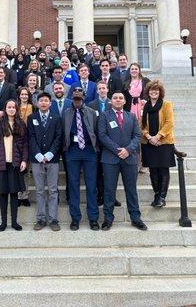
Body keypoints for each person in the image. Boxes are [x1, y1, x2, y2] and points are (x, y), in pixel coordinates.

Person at [98, 92, 147, 231]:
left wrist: (128, 150)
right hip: (110, 159)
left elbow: (137, 136)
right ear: (110, 101)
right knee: (109, 190)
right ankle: (108, 218)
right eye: (115, 98)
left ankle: (135, 218)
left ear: (125, 101)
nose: (118, 100)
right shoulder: (104, 116)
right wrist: (118, 150)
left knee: (131, 190)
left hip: (130, 158)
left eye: (120, 98)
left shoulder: (131, 116)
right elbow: (102, 135)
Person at [63, 88, 99, 231]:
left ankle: (93, 218)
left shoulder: (91, 112)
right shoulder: (66, 113)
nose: (77, 102)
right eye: (75, 99)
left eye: (79, 99)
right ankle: (75, 218)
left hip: (89, 151)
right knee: (73, 186)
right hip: (72, 151)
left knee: (91, 186)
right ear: (72, 99)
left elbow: (96, 131)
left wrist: (97, 149)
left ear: (83, 98)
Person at [27, 92, 62, 231]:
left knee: (53, 190)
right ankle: (41, 219)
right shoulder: (32, 118)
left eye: (46, 100)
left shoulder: (57, 118)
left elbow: (58, 137)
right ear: (37, 103)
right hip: (37, 160)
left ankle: (53, 219)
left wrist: (50, 153)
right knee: (40, 190)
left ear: (50, 103)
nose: (43, 103)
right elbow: (31, 137)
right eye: (41, 100)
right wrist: (38, 154)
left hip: (52, 159)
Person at [0, 100, 28, 231]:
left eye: (13, 107)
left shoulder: (21, 124)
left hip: (15, 164)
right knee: (3, 194)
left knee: (14, 194)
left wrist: (24, 160)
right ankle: (3, 222)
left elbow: (25, 145)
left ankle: (14, 222)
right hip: (2, 164)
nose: (11, 109)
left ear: (16, 109)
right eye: (9, 107)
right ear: (5, 109)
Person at [141, 80, 176, 208]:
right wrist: (149, 137)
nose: (154, 92)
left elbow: (169, 122)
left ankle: (162, 197)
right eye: (151, 90)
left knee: (163, 169)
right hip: (149, 143)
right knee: (153, 170)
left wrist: (158, 136)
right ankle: (156, 194)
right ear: (148, 92)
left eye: (156, 90)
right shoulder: (145, 106)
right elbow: (142, 124)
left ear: (160, 92)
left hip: (164, 142)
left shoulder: (166, 105)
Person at [17, 87, 35, 207]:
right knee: (18, 171)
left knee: (26, 171)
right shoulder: (15, 107)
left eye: (26, 94)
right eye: (22, 94)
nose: (24, 96)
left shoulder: (33, 108)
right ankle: (18, 196)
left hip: (28, 141)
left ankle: (25, 195)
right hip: (17, 140)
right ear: (19, 96)